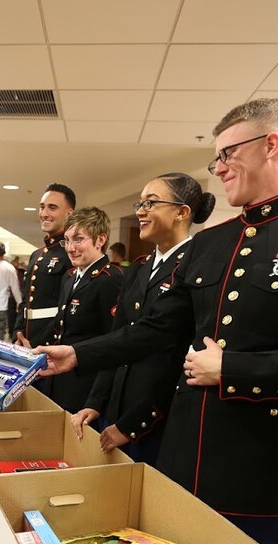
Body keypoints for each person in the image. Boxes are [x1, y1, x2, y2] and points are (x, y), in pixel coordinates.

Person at [36, 99, 278, 544]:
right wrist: (79, 353)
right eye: (217, 158)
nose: (220, 168)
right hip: (181, 456)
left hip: (254, 466)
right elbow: (157, 330)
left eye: (228, 153)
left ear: (271, 145)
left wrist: (231, 368)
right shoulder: (210, 244)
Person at [72, 174, 215, 465]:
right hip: (117, 409)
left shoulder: (197, 267)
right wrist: (96, 402)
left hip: (157, 419)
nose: (140, 211)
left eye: (151, 203)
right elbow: (118, 339)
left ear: (181, 212)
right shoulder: (138, 268)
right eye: (141, 203)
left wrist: (133, 424)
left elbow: (177, 358)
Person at [35, 207, 123, 413]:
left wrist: (96, 402)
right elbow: (61, 327)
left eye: (78, 239)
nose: (70, 248)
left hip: (87, 386)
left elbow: (114, 345)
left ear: (100, 240)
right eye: (67, 240)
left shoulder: (110, 280)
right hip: (61, 379)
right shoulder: (69, 277)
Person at [14, 183, 75, 347]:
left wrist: (48, 343)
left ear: (69, 214)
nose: (44, 213)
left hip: (52, 344)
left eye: (52, 208)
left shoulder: (72, 253)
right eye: (42, 207)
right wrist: (17, 334)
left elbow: (70, 308)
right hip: (27, 340)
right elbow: (26, 301)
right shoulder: (37, 254)